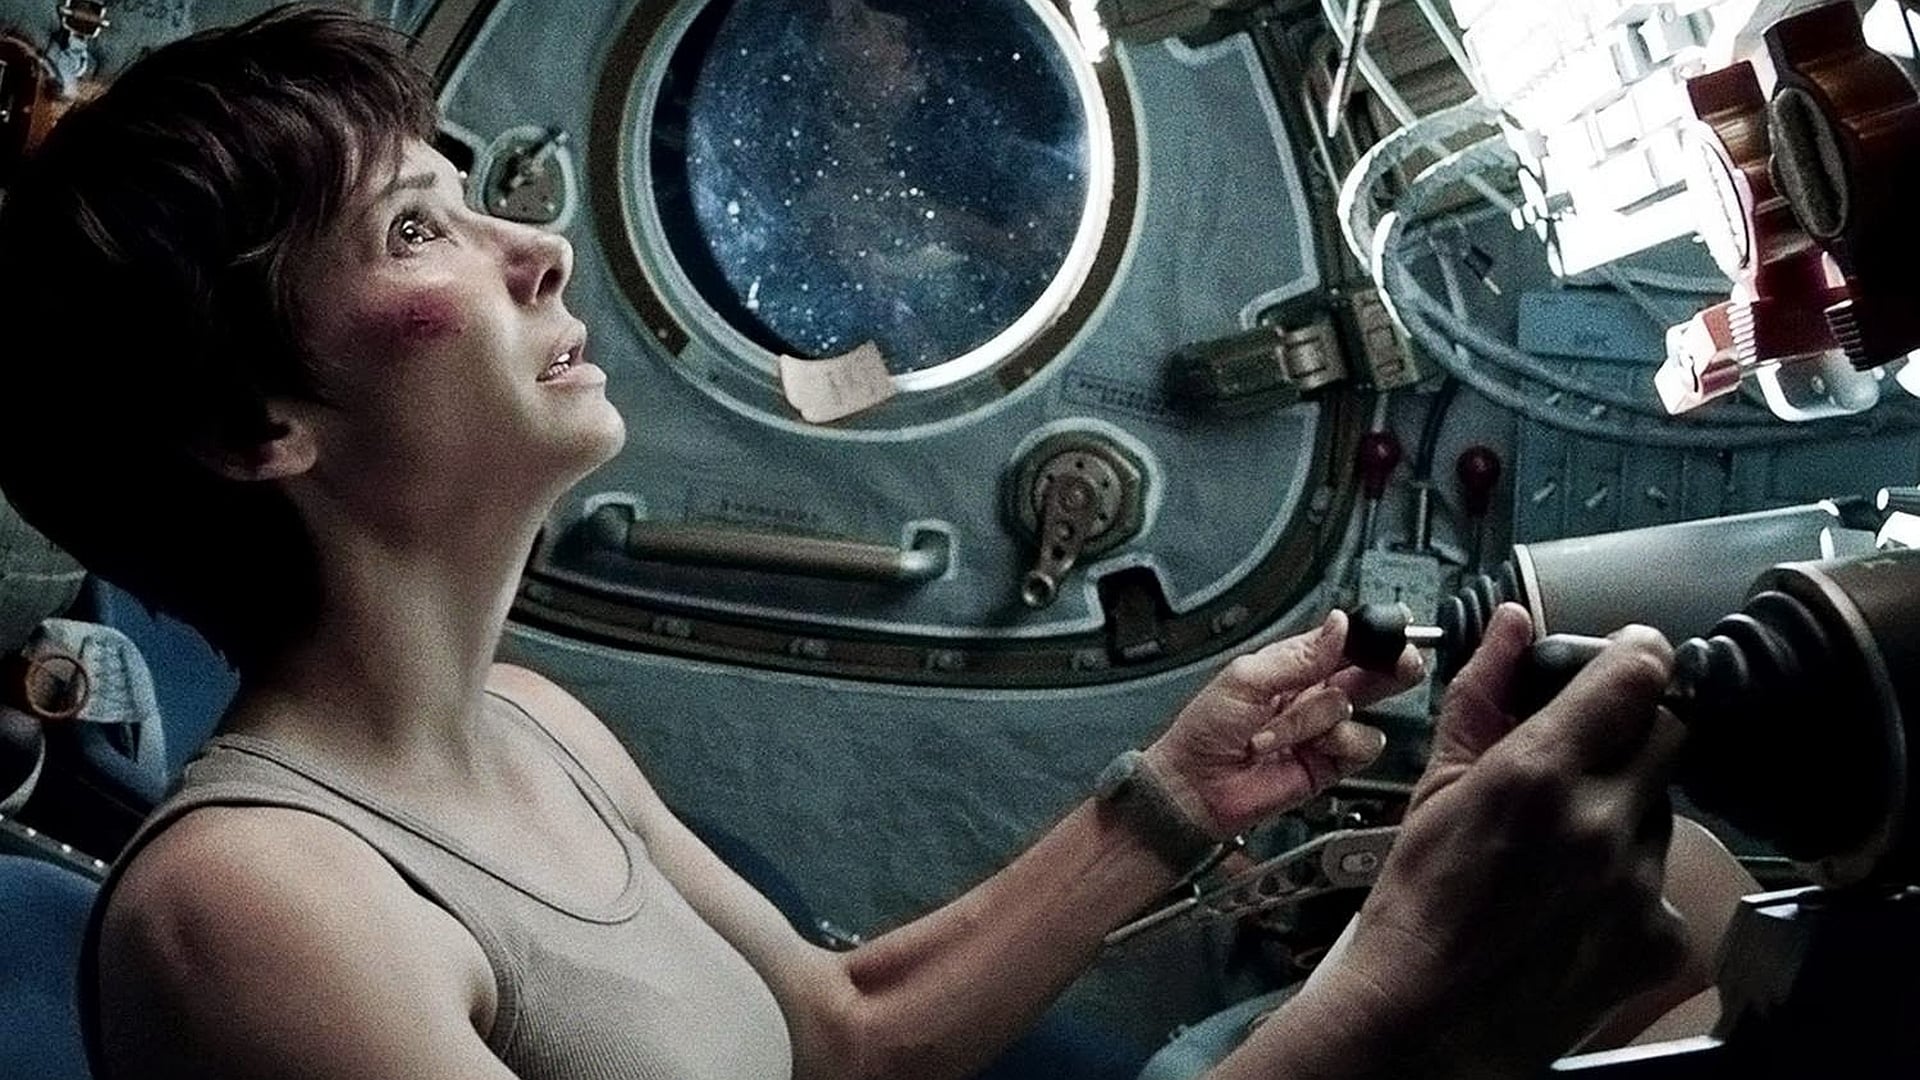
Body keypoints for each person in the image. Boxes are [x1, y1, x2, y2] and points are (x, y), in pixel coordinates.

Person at [0, 6, 1716, 1078]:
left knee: (1694, 887)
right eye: (412, 228)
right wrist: (1401, 994)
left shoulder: (529, 724)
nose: (539, 248)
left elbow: (845, 1034)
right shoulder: (253, 912)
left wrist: (1174, 800)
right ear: (256, 429)